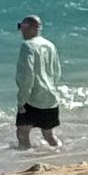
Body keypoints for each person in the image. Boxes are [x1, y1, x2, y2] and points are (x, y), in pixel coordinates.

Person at [15, 15, 62, 149]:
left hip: (33, 99)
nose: (21, 31)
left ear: (30, 28)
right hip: (51, 98)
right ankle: (60, 153)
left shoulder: (27, 46)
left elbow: (27, 77)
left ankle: (25, 159)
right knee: (49, 135)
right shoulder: (50, 45)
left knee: (22, 132)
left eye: (21, 27)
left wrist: (21, 101)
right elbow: (57, 72)